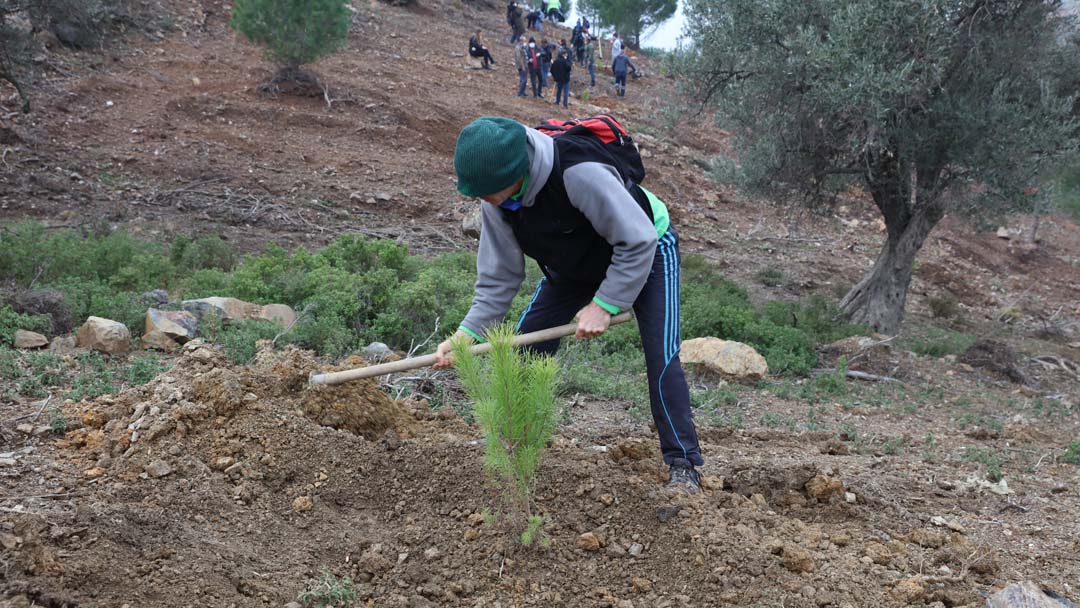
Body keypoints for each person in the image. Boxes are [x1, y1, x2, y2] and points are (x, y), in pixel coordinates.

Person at [437, 117, 704, 494]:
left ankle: (684, 463)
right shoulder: (498, 199)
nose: (485, 202)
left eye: (490, 193)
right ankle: (516, 444)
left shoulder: (579, 172)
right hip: (576, 263)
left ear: (519, 171)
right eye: (479, 195)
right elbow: (499, 277)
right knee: (526, 345)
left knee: (661, 358)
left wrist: (606, 303)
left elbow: (637, 239)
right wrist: (466, 333)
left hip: (646, 250)